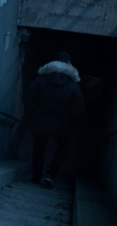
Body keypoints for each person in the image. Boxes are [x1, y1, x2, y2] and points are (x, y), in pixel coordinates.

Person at [23, 52, 85, 188]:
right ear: (69, 64)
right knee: (63, 148)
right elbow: (78, 110)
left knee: (39, 148)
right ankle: (51, 175)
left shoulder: (40, 80)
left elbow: (28, 97)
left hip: (40, 121)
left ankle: (36, 176)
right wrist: (73, 122)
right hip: (63, 125)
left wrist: (31, 114)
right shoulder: (73, 86)